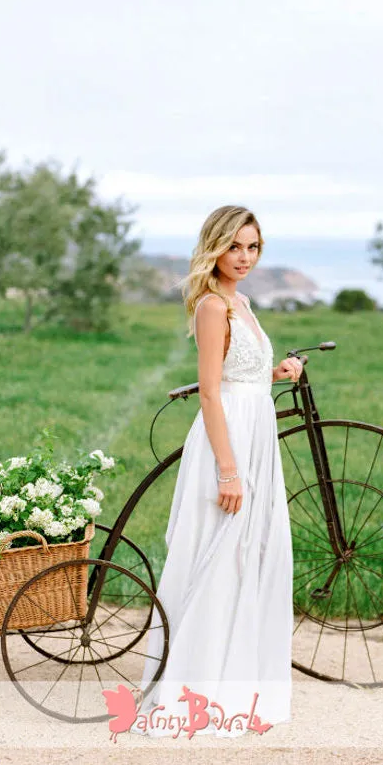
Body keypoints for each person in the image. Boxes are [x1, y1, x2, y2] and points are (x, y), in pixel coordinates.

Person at [130, 206, 303, 738]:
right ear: (216, 248)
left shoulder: (243, 302)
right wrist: (228, 472)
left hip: (255, 434)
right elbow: (210, 391)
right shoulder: (211, 306)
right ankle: (196, 690)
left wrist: (276, 372)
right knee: (218, 554)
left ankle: (236, 686)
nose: (245, 257)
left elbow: (240, 374)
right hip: (227, 443)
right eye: (235, 247)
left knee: (249, 555)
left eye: (253, 247)